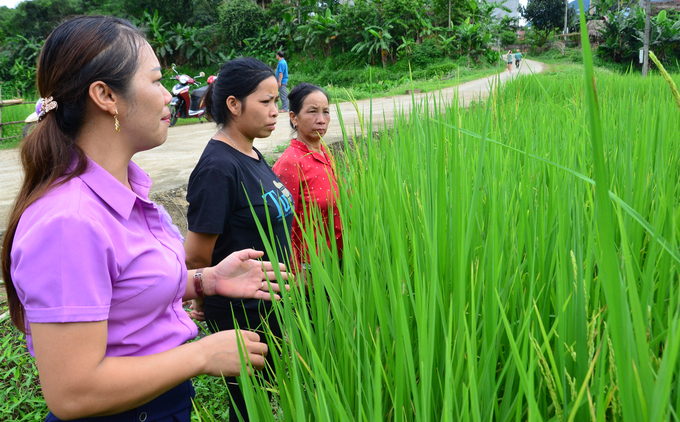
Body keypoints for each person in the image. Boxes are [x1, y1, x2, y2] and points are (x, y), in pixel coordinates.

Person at [0, 16, 289, 422]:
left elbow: (124, 290)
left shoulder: (127, 192)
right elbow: (72, 392)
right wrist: (202, 354)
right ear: (105, 95)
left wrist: (204, 280)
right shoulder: (68, 222)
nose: (169, 96)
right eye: (155, 81)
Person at [184, 57, 295, 422]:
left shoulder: (250, 151)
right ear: (233, 104)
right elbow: (197, 257)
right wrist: (202, 294)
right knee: (250, 405)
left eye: (276, 101)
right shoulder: (218, 167)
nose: (275, 110)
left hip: (269, 303)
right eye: (265, 102)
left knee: (264, 396)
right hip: (243, 313)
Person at [272, 83, 343, 274]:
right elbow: (283, 225)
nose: (321, 120)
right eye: (312, 112)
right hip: (311, 269)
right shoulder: (291, 162)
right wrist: (297, 274)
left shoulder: (324, 153)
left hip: (337, 262)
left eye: (325, 112)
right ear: (294, 118)